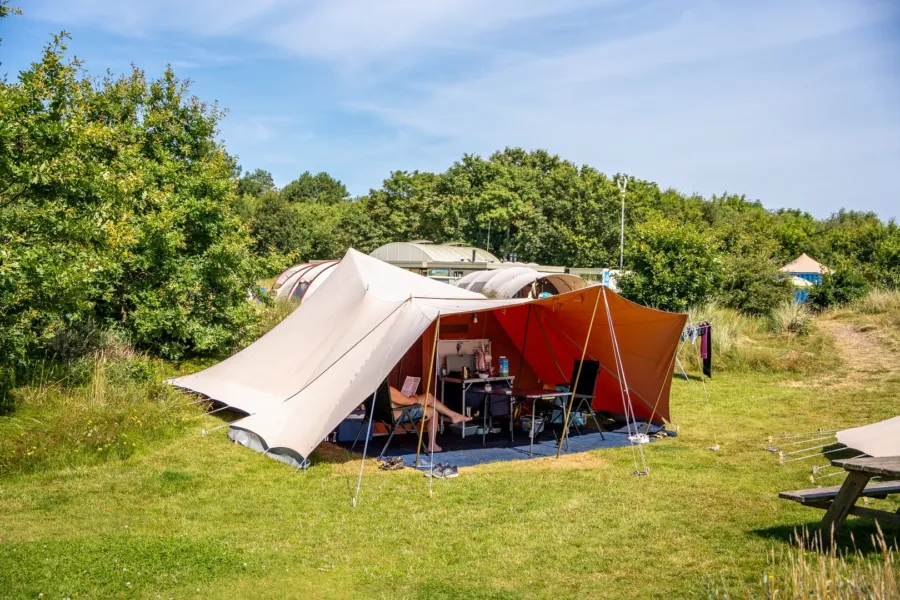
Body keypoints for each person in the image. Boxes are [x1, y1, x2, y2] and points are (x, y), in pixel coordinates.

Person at [389, 385, 471, 453]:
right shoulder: (389, 389)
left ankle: (453, 416)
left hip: (389, 416)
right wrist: (416, 398)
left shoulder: (377, 390)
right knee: (430, 399)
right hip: (401, 414)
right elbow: (409, 402)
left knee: (432, 405)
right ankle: (432, 445)